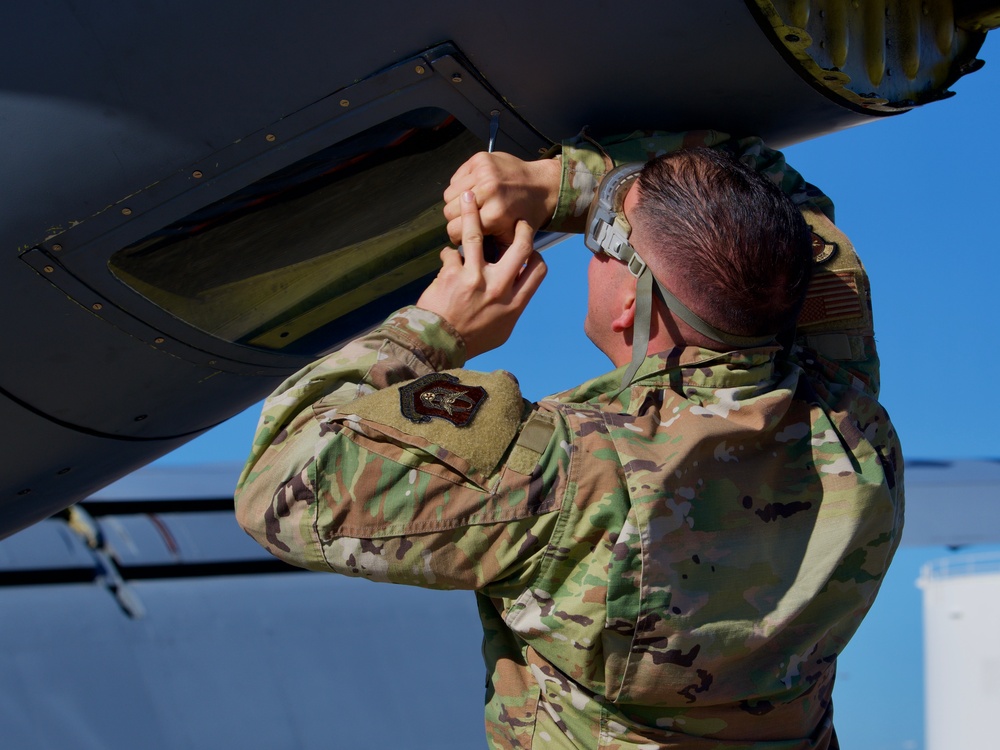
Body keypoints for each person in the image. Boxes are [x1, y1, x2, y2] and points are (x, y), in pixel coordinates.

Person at [234, 131, 903, 749]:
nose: (592, 247)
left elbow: (279, 485)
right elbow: (779, 203)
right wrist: (564, 188)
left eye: (604, 241)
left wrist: (433, 329)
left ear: (631, 308)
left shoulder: (571, 477)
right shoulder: (851, 423)